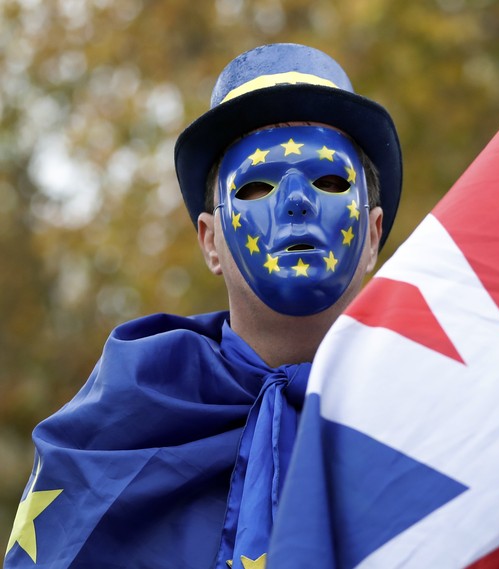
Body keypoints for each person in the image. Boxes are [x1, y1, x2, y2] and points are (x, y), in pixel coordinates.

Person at [4, 43, 402, 569]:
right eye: (257, 185)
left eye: (328, 180)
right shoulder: (113, 437)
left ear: (373, 235)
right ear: (210, 241)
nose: (296, 201)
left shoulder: (443, 403)